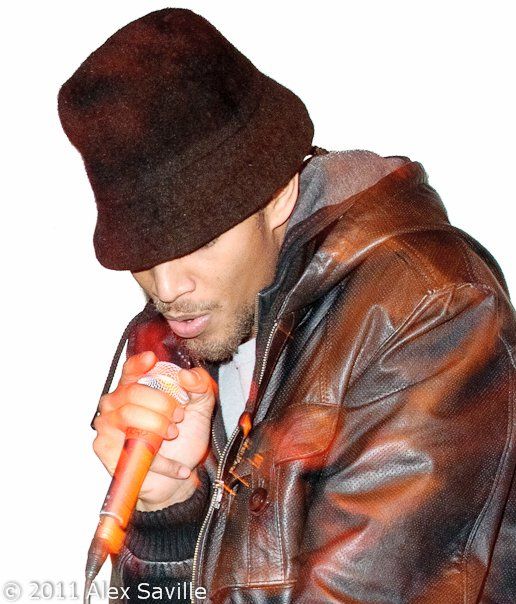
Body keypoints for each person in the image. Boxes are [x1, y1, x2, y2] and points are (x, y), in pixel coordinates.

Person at [58, 8, 516, 604]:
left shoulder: (428, 315)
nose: (167, 287)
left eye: (200, 241)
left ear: (278, 196)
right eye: (144, 254)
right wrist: (167, 514)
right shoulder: (185, 335)